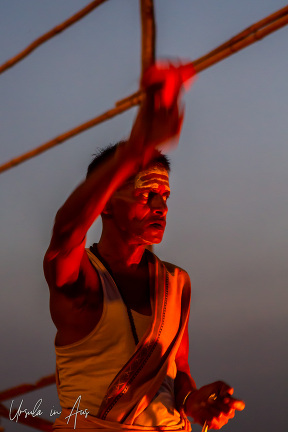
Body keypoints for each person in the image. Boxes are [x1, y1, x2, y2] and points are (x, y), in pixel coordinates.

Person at [44, 63, 245, 431]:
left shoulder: (175, 282)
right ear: (106, 203)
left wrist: (191, 400)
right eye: (145, 194)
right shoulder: (81, 280)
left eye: (165, 196)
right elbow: (65, 232)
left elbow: (177, 369)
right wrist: (133, 151)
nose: (160, 206)